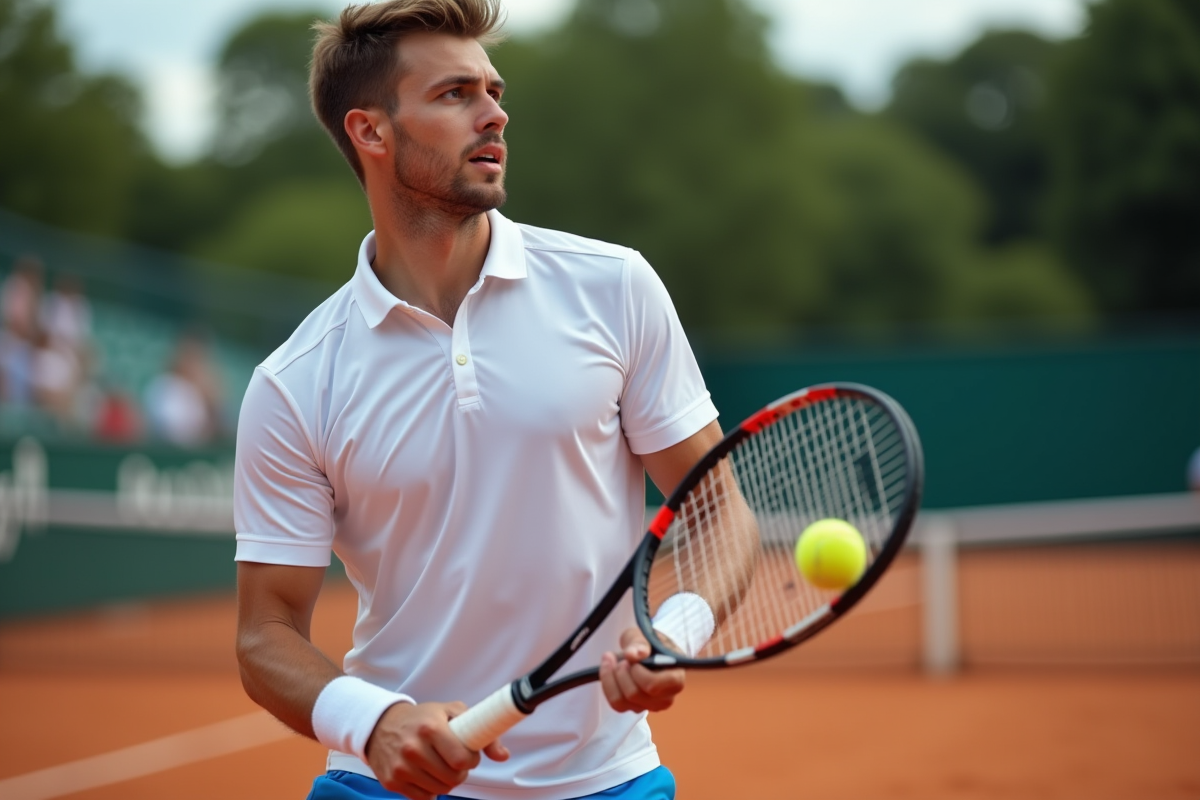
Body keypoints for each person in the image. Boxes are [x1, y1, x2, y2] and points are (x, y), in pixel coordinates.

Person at [233, 3, 720, 799]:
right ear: (370, 131)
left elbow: (717, 508)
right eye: (455, 94)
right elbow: (265, 633)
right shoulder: (294, 382)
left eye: (493, 91)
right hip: (382, 783)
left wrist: (675, 633)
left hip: (608, 781)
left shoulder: (615, 287)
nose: (495, 113)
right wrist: (375, 723)